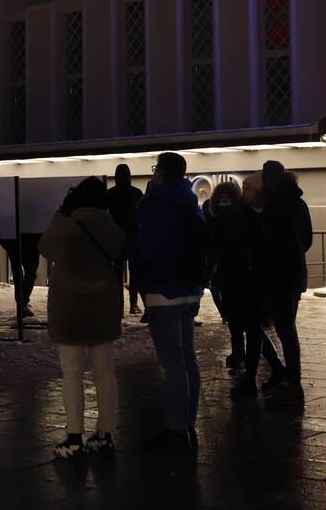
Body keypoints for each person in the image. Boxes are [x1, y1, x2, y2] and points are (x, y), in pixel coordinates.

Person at [38, 177, 125, 458]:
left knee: (72, 372)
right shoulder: (113, 229)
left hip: (70, 307)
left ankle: (74, 437)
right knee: (105, 372)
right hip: (103, 305)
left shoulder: (67, 224)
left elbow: (45, 247)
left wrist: (60, 214)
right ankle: (105, 434)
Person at [134, 151, 210, 448]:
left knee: (172, 362)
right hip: (190, 288)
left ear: (161, 171)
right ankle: (188, 424)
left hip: (163, 289)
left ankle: (177, 429)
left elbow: (146, 248)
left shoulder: (154, 203)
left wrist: (143, 284)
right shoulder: (190, 201)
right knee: (188, 358)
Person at [253, 160, 312, 404]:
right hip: (293, 273)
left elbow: (267, 241)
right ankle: (289, 377)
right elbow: (307, 239)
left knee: (283, 329)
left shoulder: (272, 204)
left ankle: (292, 380)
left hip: (276, 275)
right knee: (287, 328)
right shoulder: (298, 203)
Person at [229, 172, 288, 400]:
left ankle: (253, 377)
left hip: (256, 280)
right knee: (252, 328)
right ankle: (274, 369)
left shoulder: (263, 214)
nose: (244, 193)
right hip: (246, 278)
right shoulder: (246, 211)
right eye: (243, 189)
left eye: (248, 189)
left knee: (253, 328)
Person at [205, 182, 246, 367]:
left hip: (235, 271)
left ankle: (243, 354)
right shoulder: (217, 215)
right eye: (222, 197)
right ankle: (240, 353)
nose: (225, 201)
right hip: (226, 271)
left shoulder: (236, 215)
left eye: (228, 197)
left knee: (243, 320)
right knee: (236, 318)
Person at [106, 164, 143, 315]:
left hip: (116, 235)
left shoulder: (110, 193)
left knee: (117, 273)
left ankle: (119, 305)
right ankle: (133, 304)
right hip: (133, 236)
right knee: (135, 272)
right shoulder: (136, 192)